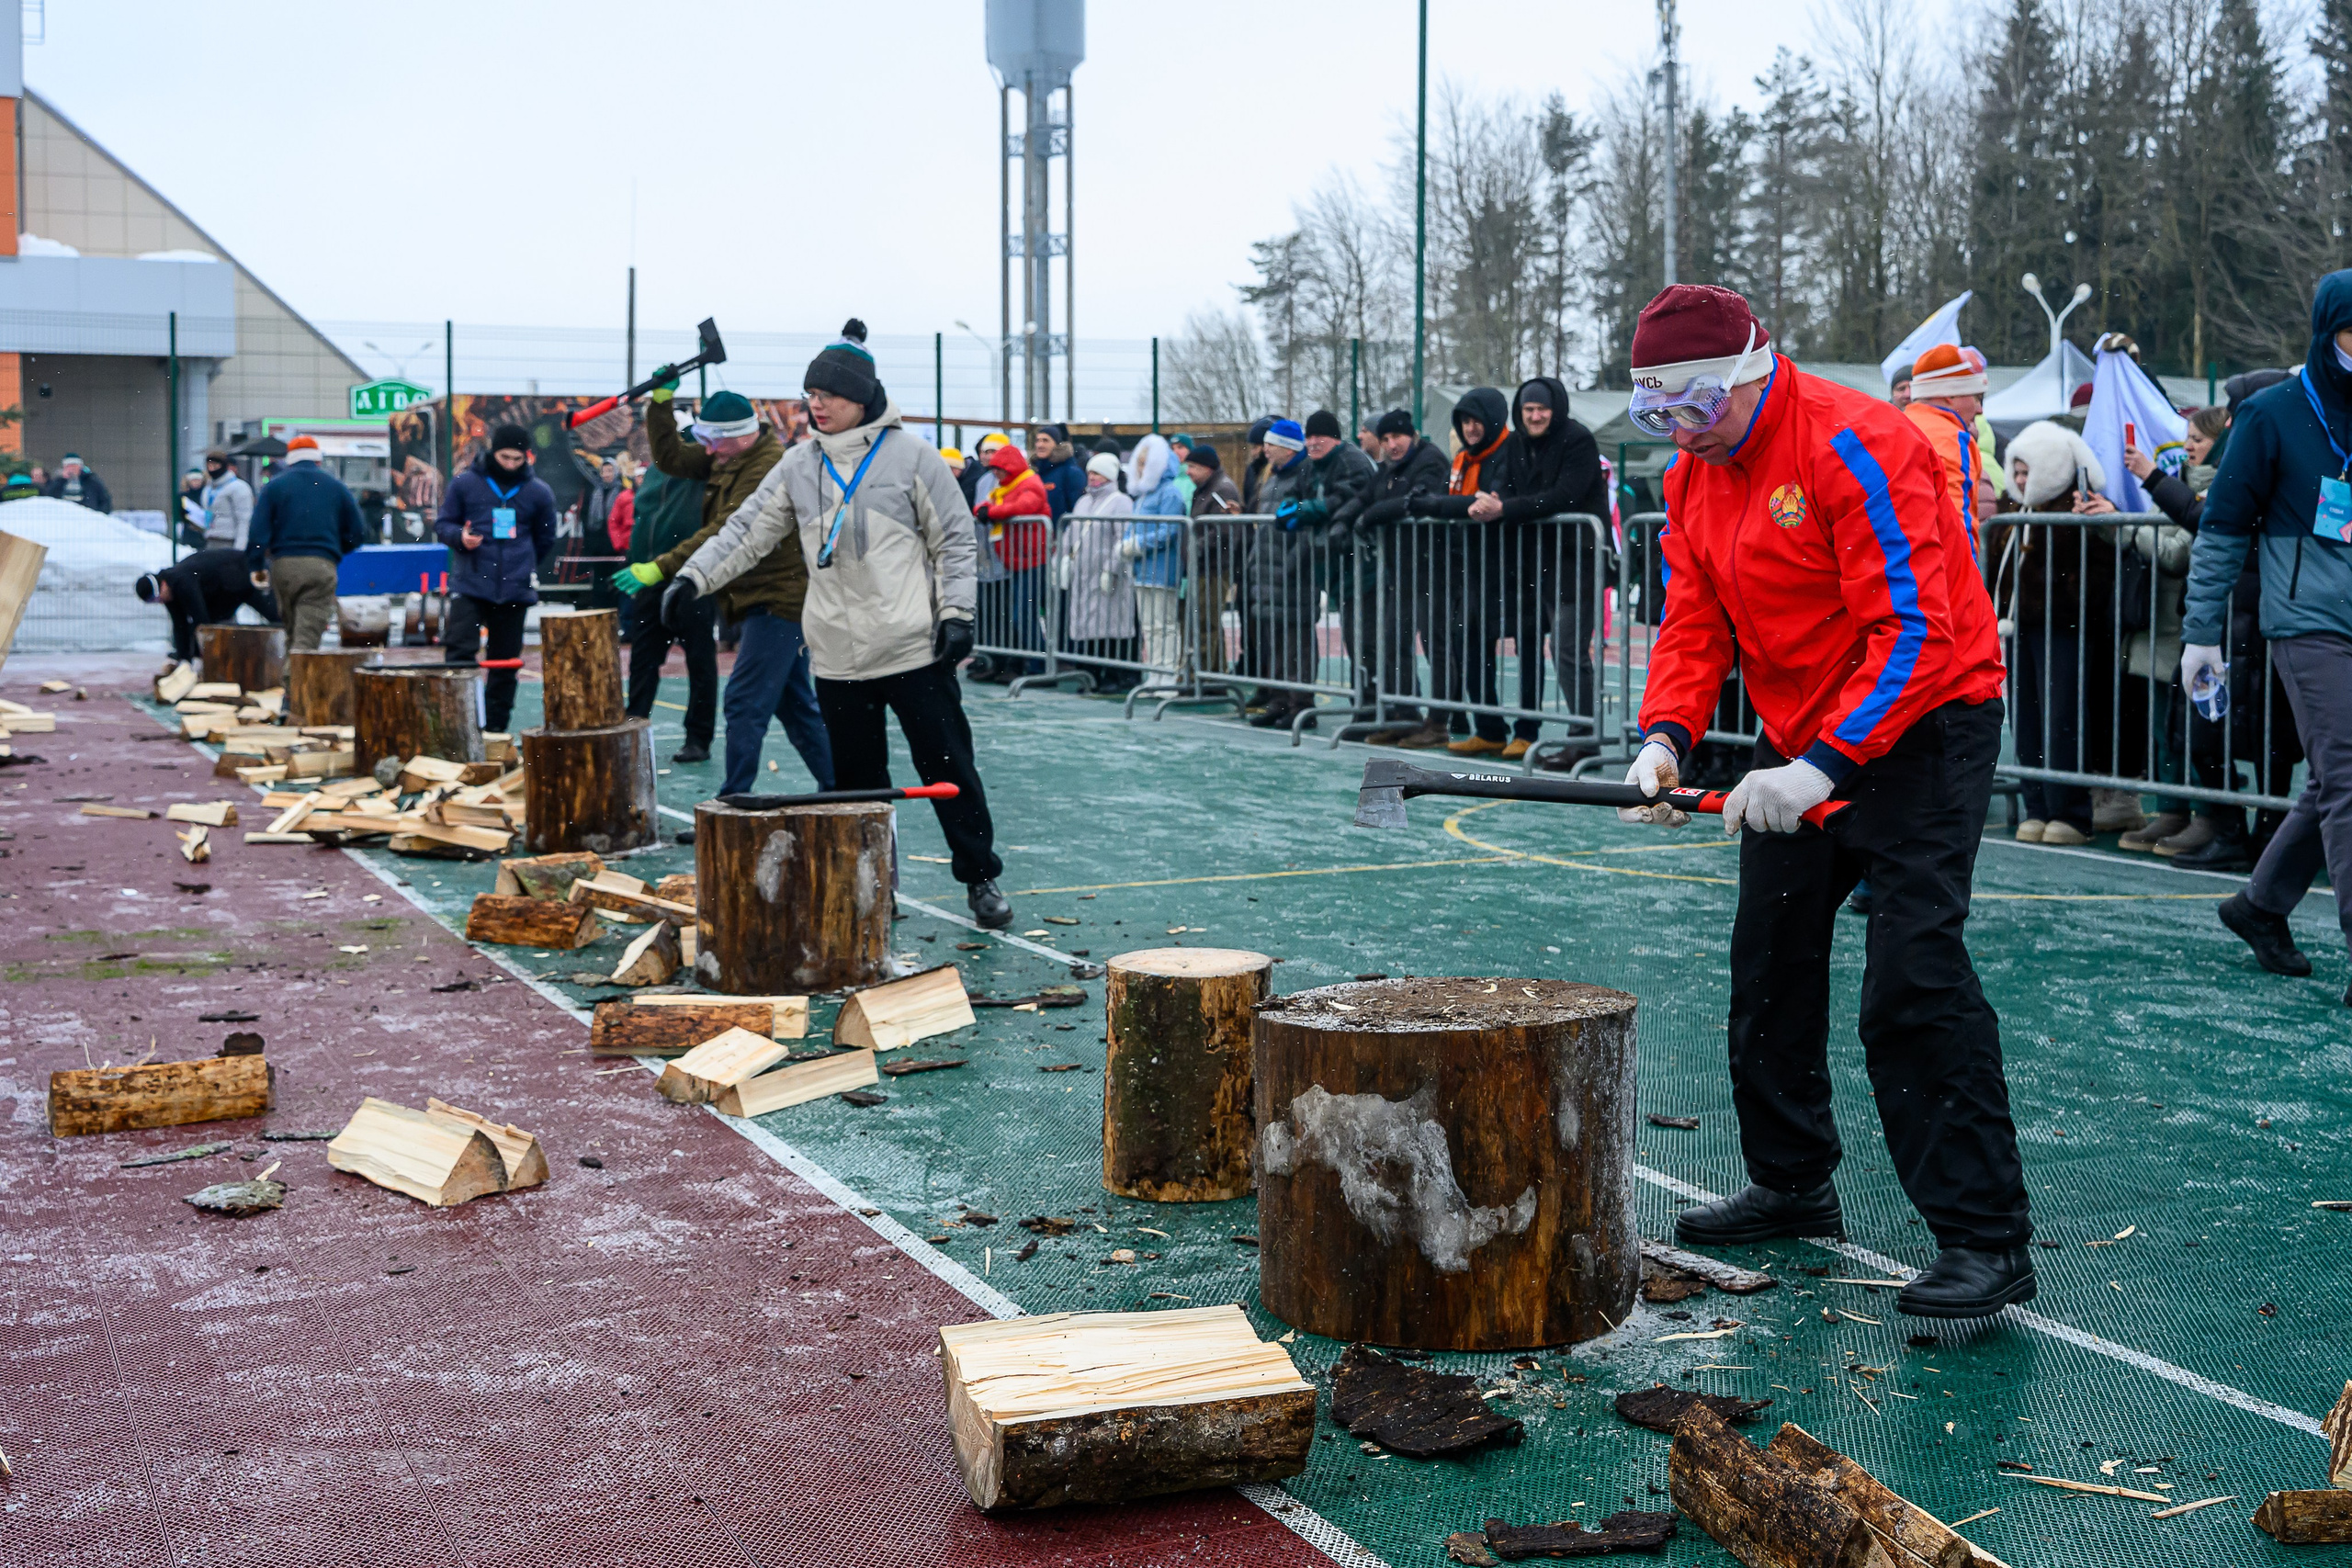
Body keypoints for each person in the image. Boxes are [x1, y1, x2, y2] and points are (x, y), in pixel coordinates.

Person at [1620, 283, 2029, 1318]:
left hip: (1928, 720)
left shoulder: (1860, 442)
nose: (1681, 433)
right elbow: (1692, 621)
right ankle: (1792, 1181)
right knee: (1771, 953)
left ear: (1752, 375)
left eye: (1694, 407)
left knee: (1913, 973)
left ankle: (1984, 1239)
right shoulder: (1690, 478)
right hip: (1803, 730)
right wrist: (1665, 734)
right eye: (1655, 413)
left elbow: (1916, 633)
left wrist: (1822, 770)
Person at [659, 325, 1013, 929]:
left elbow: (955, 539)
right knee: (855, 787)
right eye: (809, 394)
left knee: (949, 768)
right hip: (838, 660)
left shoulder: (913, 457)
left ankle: (980, 876)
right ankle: (874, 887)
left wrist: (956, 614)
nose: (815, 403)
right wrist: (692, 578)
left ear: (862, 397)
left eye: (827, 393)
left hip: (911, 648)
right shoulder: (799, 465)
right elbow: (745, 532)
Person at [2187, 270, 2352, 994]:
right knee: (2348, 774)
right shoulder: (2272, 414)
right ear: (2328, 331)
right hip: (2306, 622)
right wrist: (2201, 632)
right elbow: (2221, 528)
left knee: (2334, 781)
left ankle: (2258, 905)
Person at [619, 379, 828, 784]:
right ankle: (844, 788)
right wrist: (660, 405)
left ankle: (734, 798)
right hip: (755, 599)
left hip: (777, 599)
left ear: (738, 437)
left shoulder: (766, 469)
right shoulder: (728, 455)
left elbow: (726, 530)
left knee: (744, 701)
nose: (707, 451)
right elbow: (670, 457)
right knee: (796, 705)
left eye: (712, 442)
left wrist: (665, 568)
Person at [1984, 422, 2115, 844]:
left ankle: (2072, 813)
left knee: (2062, 718)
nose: (2021, 481)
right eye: (2017, 473)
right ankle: (2036, 806)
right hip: (2020, 627)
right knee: (2025, 718)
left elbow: (2096, 573)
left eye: (2028, 473)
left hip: (2065, 628)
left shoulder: (2079, 506)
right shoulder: (2013, 510)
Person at [435, 423, 557, 730]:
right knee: (460, 655)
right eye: (505, 457)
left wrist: (523, 564)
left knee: (505, 663)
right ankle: (456, 725)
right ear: (493, 452)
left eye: (518, 459)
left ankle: (495, 729)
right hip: (470, 583)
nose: (511, 464)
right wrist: (460, 538)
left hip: (515, 590)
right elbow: (443, 525)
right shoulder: (465, 483)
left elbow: (545, 540)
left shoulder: (538, 492)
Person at [1353, 407, 1453, 743]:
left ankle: (1439, 721)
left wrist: (1371, 516)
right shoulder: (1388, 469)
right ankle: (1404, 713)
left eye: (1397, 437)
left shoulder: (1430, 460)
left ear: (1411, 435)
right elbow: (1366, 497)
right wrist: (1346, 518)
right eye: (1385, 439)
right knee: (1394, 640)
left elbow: (1413, 502)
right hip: (1402, 570)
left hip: (1433, 567)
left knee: (1435, 645)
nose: (1392, 445)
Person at [616, 464, 717, 763]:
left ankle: (698, 738)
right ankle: (634, 724)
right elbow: (642, 520)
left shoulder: (696, 462)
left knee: (699, 659)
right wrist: (636, 562)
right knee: (643, 657)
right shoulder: (653, 472)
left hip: (691, 577)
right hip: (651, 579)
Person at [246, 434, 365, 652]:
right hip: (320, 566)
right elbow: (358, 532)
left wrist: (256, 565)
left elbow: (257, 532)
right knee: (306, 640)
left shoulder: (274, 487)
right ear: (318, 460)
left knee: (293, 632)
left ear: (289, 460)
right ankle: (295, 683)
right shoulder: (336, 487)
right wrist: (334, 549)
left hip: (283, 566)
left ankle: (291, 683)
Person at [970, 436, 1053, 680]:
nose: (995, 474)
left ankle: (1039, 666)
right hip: (1017, 559)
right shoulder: (1004, 487)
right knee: (1020, 615)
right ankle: (1035, 664)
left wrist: (990, 512)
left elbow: (1024, 507)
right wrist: (985, 511)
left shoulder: (1029, 483)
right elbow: (981, 506)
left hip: (1032, 559)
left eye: (999, 469)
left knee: (1024, 615)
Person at [1064, 450, 1138, 686]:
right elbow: (1070, 532)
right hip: (1084, 574)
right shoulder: (1083, 501)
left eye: (1097, 472)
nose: (1092, 477)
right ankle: (1091, 673)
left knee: (1112, 626)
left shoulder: (1121, 502)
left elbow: (1123, 538)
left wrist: (1112, 569)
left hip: (1110, 576)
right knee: (1089, 625)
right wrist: (1064, 557)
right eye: (1090, 472)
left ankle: (1115, 674)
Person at [136, 547, 279, 661]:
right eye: (154, 602)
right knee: (207, 626)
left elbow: (202, 622)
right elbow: (179, 625)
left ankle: (286, 654)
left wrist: (201, 658)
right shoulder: (169, 591)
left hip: (245, 573)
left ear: (162, 585)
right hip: (225, 588)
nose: (160, 601)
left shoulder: (183, 582)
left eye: (157, 598)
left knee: (275, 617)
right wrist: (183, 660)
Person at [1121, 434, 1188, 673]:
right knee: (1149, 626)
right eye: (1138, 463)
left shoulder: (1169, 494)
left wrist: (1137, 544)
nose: (1140, 468)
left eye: (1144, 463)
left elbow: (1168, 530)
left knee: (1165, 624)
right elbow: (1133, 526)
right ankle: (1155, 671)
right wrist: (1126, 542)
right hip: (1142, 570)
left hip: (1162, 569)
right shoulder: (1143, 495)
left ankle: (1168, 673)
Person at [1184, 442, 1243, 677]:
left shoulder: (1222, 489)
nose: (1188, 471)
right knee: (1207, 622)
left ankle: (1203, 676)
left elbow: (1224, 530)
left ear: (1207, 468)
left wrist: (1196, 548)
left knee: (1206, 624)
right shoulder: (1209, 487)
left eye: (1193, 466)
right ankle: (1213, 674)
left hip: (1214, 567)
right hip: (1206, 565)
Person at [1029, 423, 1088, 519]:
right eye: (1037, 440)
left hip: (1061, 531)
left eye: (1045, 440)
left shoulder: (1071, 472)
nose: (1040, 445)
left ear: (1056, 444)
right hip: (1039, 532)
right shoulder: (1035, 472)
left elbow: (1078, 507)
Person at [198, 449, 254, 551]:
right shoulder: (208, 488)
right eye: (209, 465)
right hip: (210, 538)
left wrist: (240, 548)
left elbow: (244, 520)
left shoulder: (239, 487)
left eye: (216, 465)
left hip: (229, 541)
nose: (212, 469)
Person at [44, 453, 111, 513]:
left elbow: (104, 500)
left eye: (74, 466)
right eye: (68, 466)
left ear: (80, 467)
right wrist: (62, 480)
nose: (71, 469)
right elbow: (49, 496)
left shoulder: (91, 481)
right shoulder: (57, 481)